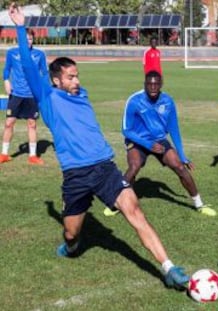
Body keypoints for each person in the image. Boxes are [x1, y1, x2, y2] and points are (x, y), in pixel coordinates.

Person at [8, 3, 189, 290]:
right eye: (70, 77)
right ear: (56, 81)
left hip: (104, 166)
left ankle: (168, 268)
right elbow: (30, 68)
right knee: (70, 233)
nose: (77, 81)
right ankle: (71, 246)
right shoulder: (47, 98)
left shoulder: (83, 94)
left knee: (134, 211)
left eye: (77, 75)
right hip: (75, 175)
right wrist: (20, 27)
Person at [103, 70, 216, 217]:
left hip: (159, 140)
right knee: (134, 166)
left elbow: (174, 129)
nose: (153, 87)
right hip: (137, 140)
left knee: (180, 167)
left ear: (161, 84)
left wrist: (182, 155)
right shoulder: (134, 101)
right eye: (149, 84)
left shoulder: (168, 101)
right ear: (145, 84)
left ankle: (199, 205)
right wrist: (148, 144)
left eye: (156, 84)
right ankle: (115, 203)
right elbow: (126, 130)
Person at [0, 28, 48, 165]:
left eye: (30, 39)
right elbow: (6, 70)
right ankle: (4, 154)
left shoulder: (39, 54)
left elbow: (44, 73)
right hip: (16, 94)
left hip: (31, 96)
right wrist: (6, 81)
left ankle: (33, 156)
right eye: (25, 39)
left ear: (34, 40)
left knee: (32, 124)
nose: (28, 41)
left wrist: (44, 90)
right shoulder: (12, 53)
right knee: (9, 123)